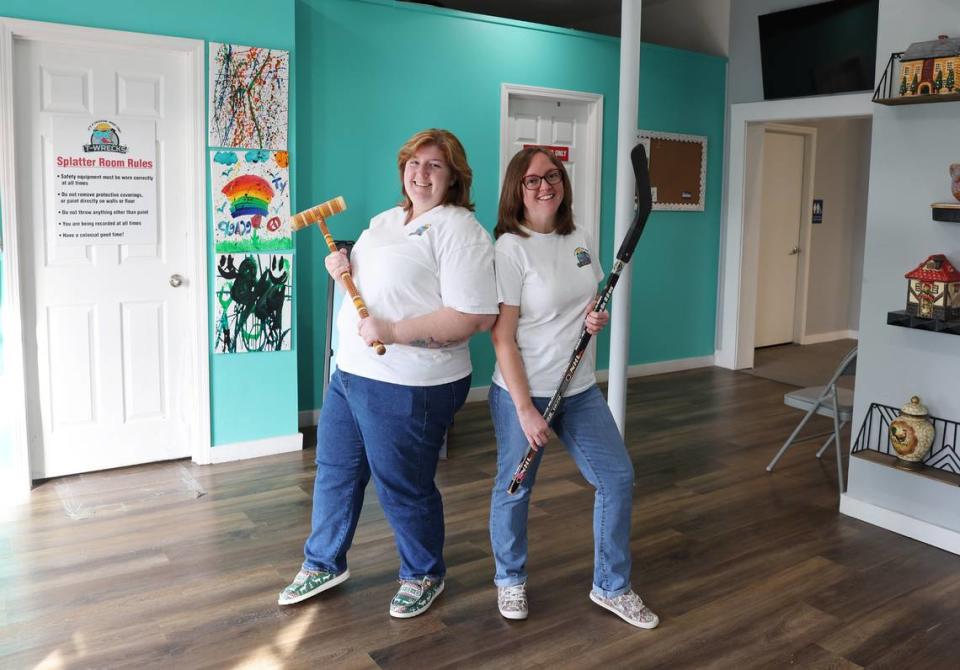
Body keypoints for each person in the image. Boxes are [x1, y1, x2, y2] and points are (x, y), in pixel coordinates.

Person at [279, 129, 498, 618]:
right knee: (335, 472)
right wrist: (340, 267)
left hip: (412, 383)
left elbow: (473, 317)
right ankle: (324, 562)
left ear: (454, 176)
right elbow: (370, 282)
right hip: (350, 373)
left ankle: (423, 573)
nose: (421, 173)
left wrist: (395, 331)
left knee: (402, 484)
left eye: (434, 166)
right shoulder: (385, 220)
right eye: (414, 163)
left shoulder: (461, 230)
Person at [487, 147, 659, 629]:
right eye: (533, 179)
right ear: (516, 191)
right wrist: (525, 410)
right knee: (516, 486)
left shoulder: (580, 236)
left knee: (617, 479)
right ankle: (509, 577)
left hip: (579, 387)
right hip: (525, 389)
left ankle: (611, 585)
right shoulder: (510, 248)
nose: (545, 186)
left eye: (553, 176)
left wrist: (592, 317)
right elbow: (502, 337)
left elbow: (583, 297)